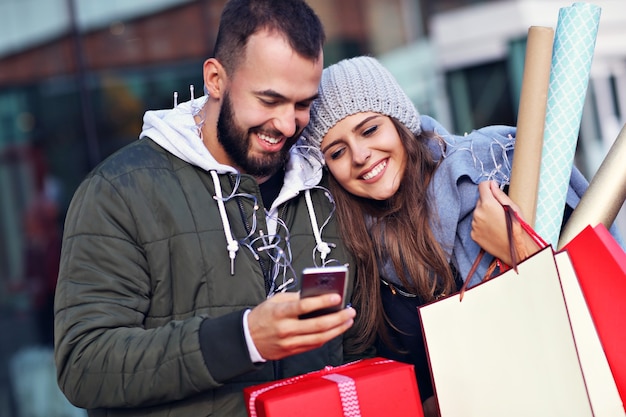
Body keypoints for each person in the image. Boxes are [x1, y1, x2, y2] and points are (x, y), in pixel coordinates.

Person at [53, 1, 356, 416]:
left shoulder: (323, 183)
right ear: (215, 79)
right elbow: (84, 365)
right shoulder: (119, 192)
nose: (287, 125)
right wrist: (243, 338)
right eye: (269, 100)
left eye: (303, 104)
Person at [300, 55, 593, 416]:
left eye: (370, 129)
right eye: (338, 151)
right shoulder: (356, 248)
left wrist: (518, 246)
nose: (360, 155)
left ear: (399, 122)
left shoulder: (496, 171)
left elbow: (596, 300)